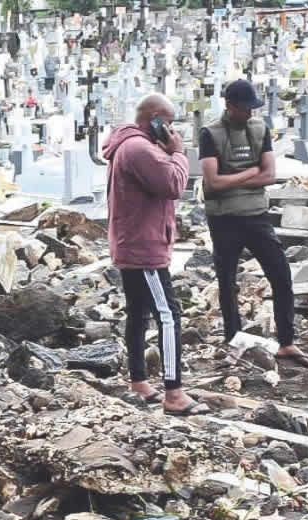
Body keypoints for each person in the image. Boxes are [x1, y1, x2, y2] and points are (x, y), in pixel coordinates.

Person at [200, 79, 308, 368]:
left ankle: (287, 342)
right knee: (227, 283)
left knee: (281, 275)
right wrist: (250, 173)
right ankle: (233, 341)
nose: (249, 114)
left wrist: (235, 180)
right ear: (229, 106)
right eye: (244, 109)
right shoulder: (210, 133)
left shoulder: (259, 129)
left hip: (256, 215)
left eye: (252, 108)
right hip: (224, 219)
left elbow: (269, 175)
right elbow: (212, 182)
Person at [103, 93, 209, 416]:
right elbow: (174, 184)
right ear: (156, 121)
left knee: (138, 313)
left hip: (134, 242)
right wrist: (178, 153)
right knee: (168, 314)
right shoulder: (138, 149)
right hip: (144, 247)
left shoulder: (133, 146)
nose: (173, 130)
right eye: (170, 123)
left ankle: (138, 380)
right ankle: (174, 393)